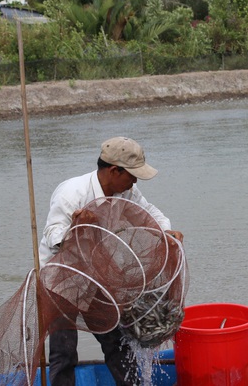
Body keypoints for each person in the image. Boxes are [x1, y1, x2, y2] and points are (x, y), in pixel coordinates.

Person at [38, 136, 183, 386]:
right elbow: (53, 236)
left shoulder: (125, 191)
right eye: (131, 175)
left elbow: (150, 214)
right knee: (64, 352)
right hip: (62, 281)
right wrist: (77, 227)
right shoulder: (72, 192)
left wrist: (166, 232)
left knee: (117, 342)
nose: (135, 181)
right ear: (114, 170)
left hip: (97, 278)